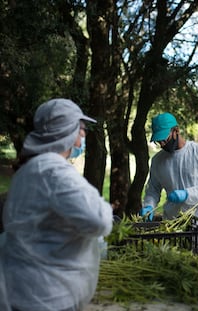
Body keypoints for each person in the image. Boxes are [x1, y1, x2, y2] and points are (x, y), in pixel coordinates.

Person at [0, 98, 113, 311]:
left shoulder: (28, 170)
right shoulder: (54, 172)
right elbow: (100, 221)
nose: (83, 136)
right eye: (81, 130)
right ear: (69, 134)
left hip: (22, 287)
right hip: (49, 294)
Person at [141, 112, 198, 257]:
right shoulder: (158, 161)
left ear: (176, 131)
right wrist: (148, 206)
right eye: (158, 141)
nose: (161, 144)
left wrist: (187, 194)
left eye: (164, 139)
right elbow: (153, 190)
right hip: (174, 229)